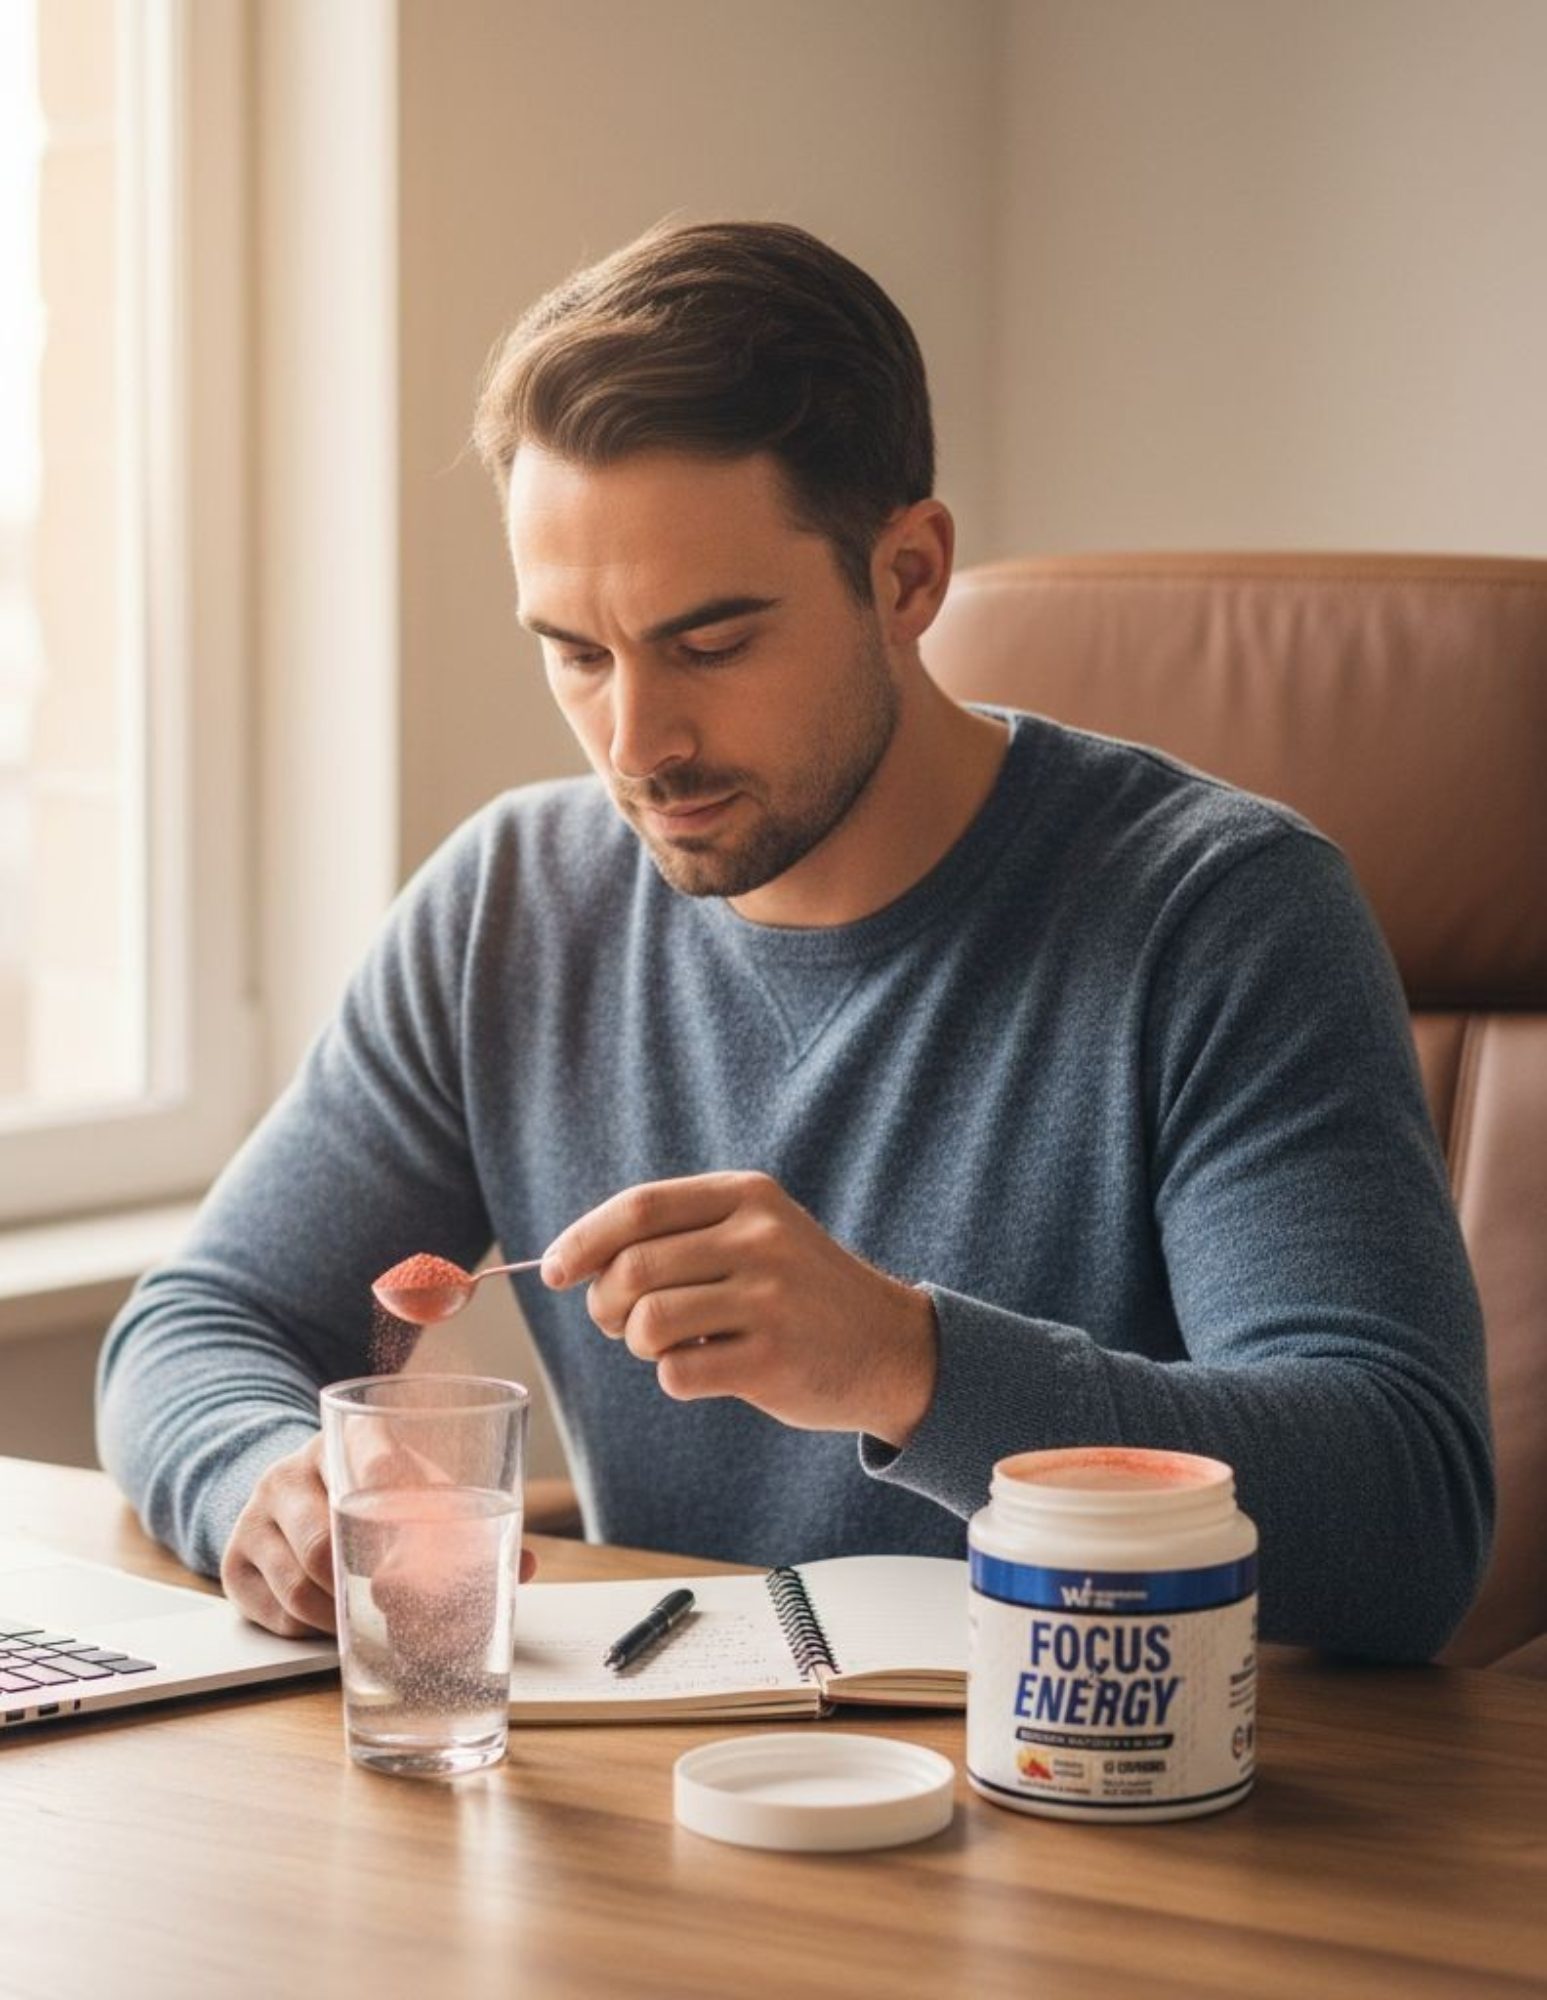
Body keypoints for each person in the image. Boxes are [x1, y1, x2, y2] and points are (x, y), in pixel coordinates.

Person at [97, 219, 1492, 1662]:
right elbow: (198, 1325)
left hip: (1104, 1811)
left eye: (711, 642)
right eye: (576, 651)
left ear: (907, 577)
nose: (636, 744)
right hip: (678, 1793)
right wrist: (264, 1479)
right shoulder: (510, 903)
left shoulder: (1221, 915)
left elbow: (1406, 1517)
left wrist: (907, 1365)